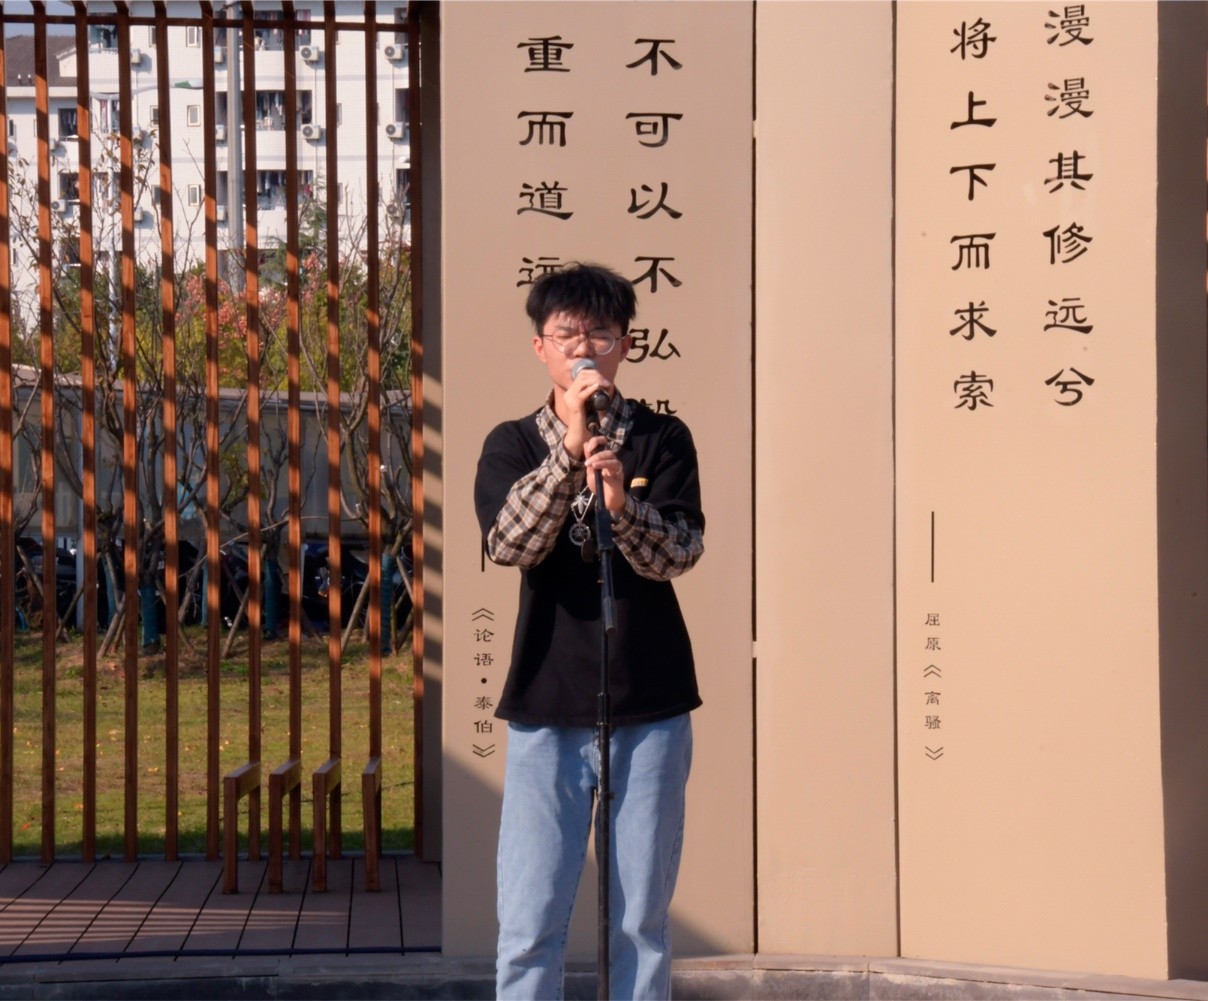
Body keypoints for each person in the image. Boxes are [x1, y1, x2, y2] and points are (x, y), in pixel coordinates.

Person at [474, 262, 705, 1000]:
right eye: (567, 334)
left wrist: (624, 508)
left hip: (651, 703)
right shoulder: (511, 443)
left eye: (600, 334)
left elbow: (680, 553)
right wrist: (568, 455)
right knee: (530, 919)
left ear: (625, 345)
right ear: (540, 347)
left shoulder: (662, 439)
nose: (583, 348)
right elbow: (508, 543)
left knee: (641, 922)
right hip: (546, 706)